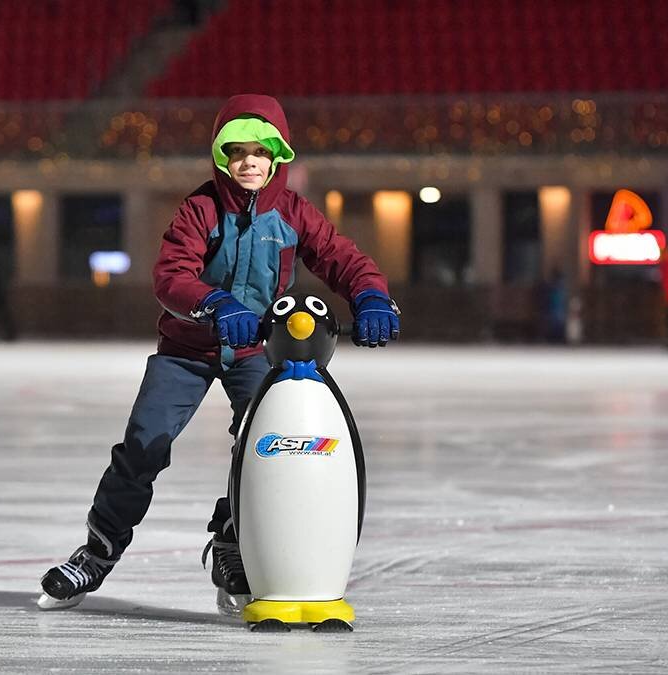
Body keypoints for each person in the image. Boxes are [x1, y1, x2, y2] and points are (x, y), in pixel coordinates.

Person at [38, 94, 400, 611]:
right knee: (144, 443)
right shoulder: (200, 208)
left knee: (259, 449)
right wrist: (214, 302)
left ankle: (230, 542)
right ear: (220, 156)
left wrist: (371, 295)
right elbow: (171, 277)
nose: (248, 162)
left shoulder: (295, 213)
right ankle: (97, 552)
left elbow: (344, 258)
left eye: (261, 150)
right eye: (236, 151)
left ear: (278, 156)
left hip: (255, 352)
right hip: (187, 348)